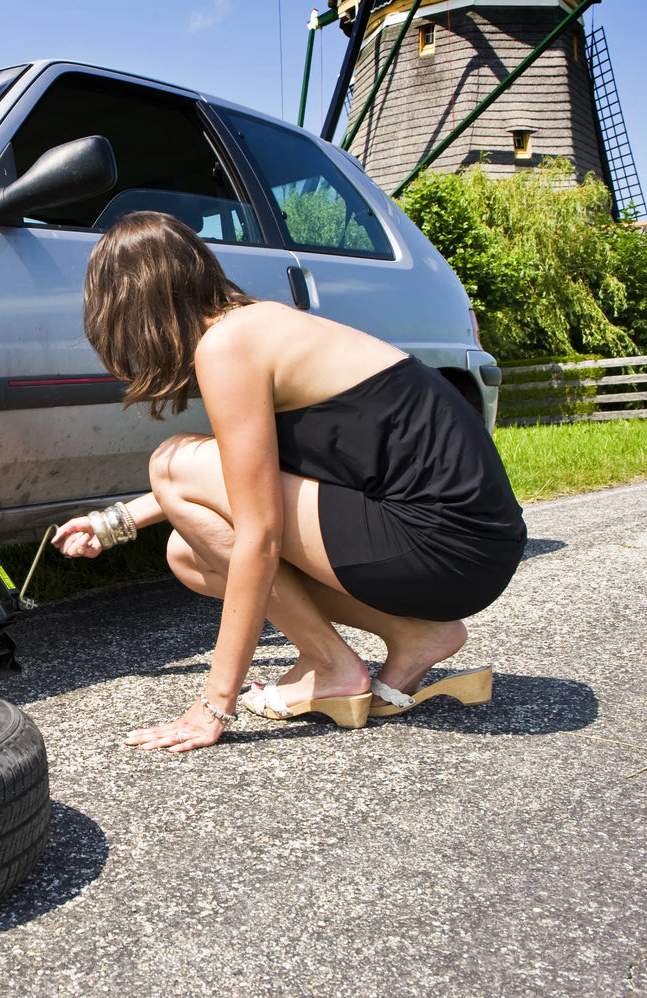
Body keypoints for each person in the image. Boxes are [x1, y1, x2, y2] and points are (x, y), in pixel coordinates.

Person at [53, 211, 526, 752]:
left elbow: (258, 533)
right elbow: (234, 479)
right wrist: (111, 523)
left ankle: (331, 667)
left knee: (171, 462)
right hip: (471, 548)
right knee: (187, 552)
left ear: (130, 308)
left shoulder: (227, 346)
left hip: (443, 543)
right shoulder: (258, 326)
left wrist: (214, 706)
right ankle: (414, 634)